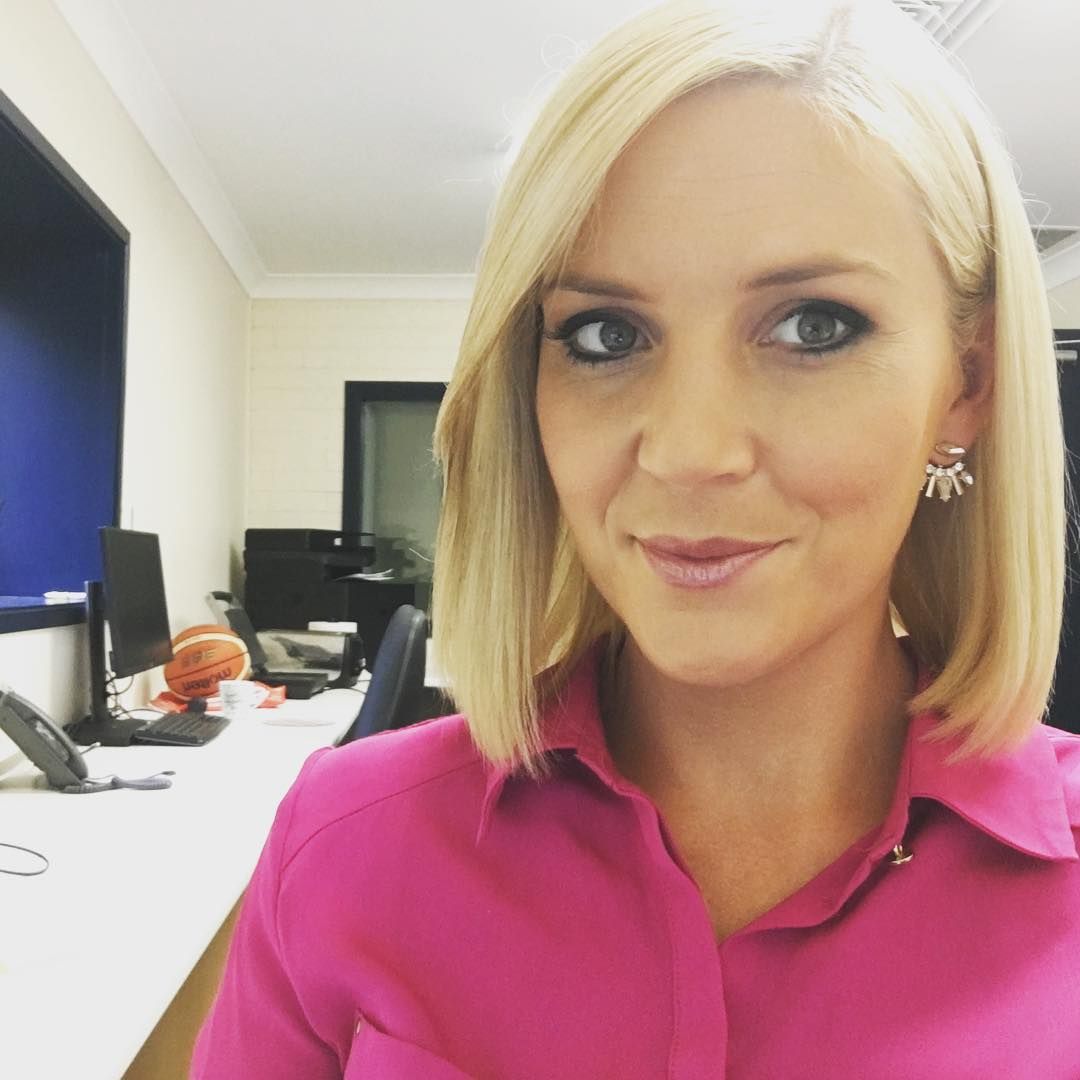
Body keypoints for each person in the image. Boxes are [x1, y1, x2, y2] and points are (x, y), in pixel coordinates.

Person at [192, 0, 1080, 1076]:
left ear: (967, 383)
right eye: (606, 335)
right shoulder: (344, 845)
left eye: (814, 326)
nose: (689, 452)